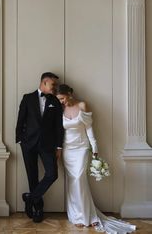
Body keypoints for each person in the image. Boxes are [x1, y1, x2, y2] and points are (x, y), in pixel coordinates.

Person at [56, 84, 136, 233]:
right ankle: (77, 215)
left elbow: (89, 128)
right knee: (72, 181)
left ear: (69, 94)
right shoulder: (60, 109)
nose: (61, 101)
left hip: (81, 149)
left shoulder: (82, 105)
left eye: (62, 98)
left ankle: (88, 215)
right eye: (58, 99)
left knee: (79, 178)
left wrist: (95, 149)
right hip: (67, 149)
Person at [16, 72, 64, 223]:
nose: (55, 87)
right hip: (28, 144)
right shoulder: (27, 98)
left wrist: (58, 147)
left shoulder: (55, 101)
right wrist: (20, 140)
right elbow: (20, 119)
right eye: (53, 84)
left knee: (52, 174)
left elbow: (58, 125)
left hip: (47, 145)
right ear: (44, 83)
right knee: (32, 177)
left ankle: (30, 198)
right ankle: (38, 208)